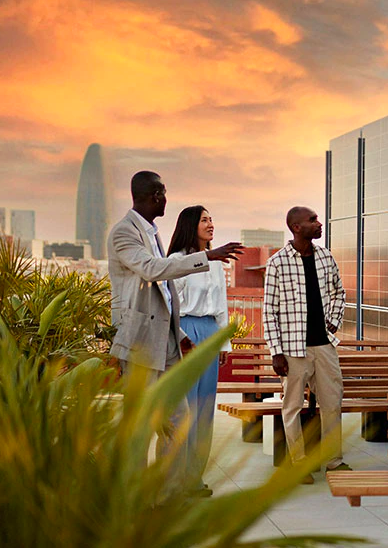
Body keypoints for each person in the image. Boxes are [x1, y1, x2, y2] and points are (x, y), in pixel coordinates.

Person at [107, 171, 243, 497]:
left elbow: (165, 293)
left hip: (167, 340)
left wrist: (177, 333)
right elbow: (153, 270)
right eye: (163, 192)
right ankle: (135, 496)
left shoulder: (150, 232)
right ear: (154, 195)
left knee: (180, 419)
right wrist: (207, 256)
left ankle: (169, 493)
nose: (166, 198)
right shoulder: (124, 233)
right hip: (140, 342)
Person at [262, 206, 349, 483]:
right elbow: (268, 311)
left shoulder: (325, 257)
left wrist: (333, 320)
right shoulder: (277, 263)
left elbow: (338, 291)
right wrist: (276, 352)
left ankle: (334, 462)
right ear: (297, 227)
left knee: (332, 403)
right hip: (292, 349)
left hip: (324, 346)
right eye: (313, 220)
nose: (319, 223)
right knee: (292, 407)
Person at [167, 205, 232, 498]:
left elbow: (222, 306)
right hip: (185, 334)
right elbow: (169, 307)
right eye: (205, 219)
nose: (211, 224)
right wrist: (181, 337)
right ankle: (175, 480)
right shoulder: (177, 261)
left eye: (212, 219)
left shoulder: (216, 262)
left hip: (209, 333)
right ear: (190, 224)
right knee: (186, 410)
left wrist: (224, 341)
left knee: (205, 409)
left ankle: (195, 478)